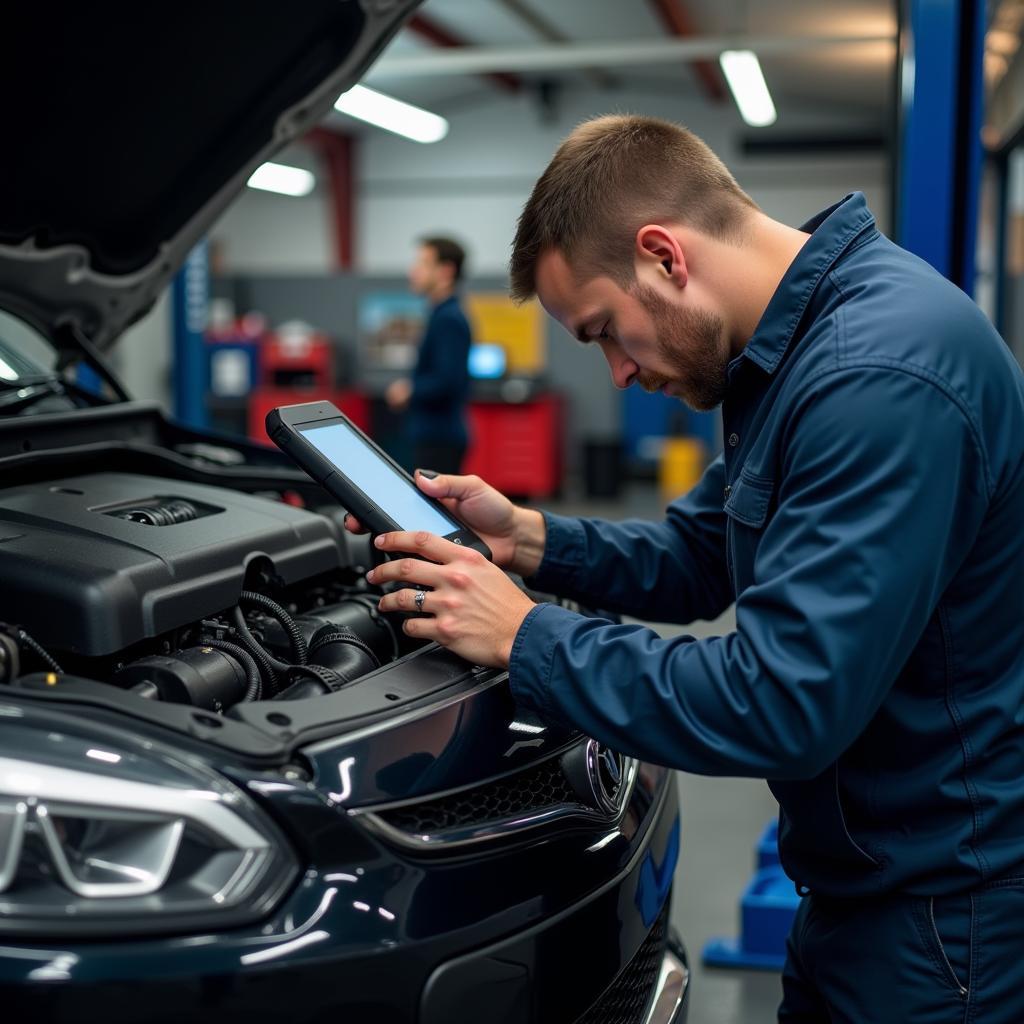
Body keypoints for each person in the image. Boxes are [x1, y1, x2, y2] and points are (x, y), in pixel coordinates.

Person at [349, 115, 1024, 1022]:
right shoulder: (790, 359)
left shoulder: (877, 374)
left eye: (604, 331)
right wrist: (529, 539)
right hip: (868, 894)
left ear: (664, 255)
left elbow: (785, 700)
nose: (618, 374)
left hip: (941, 924)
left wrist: (526, 635)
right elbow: (700, 555)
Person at [385, 236, 472, 475]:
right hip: (433, 435)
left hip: (440, 439)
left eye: (422, 264)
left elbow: (448, 381)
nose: (413, 271)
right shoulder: (439, 314)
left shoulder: (448, 319)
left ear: (445, 271)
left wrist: (410, 389)